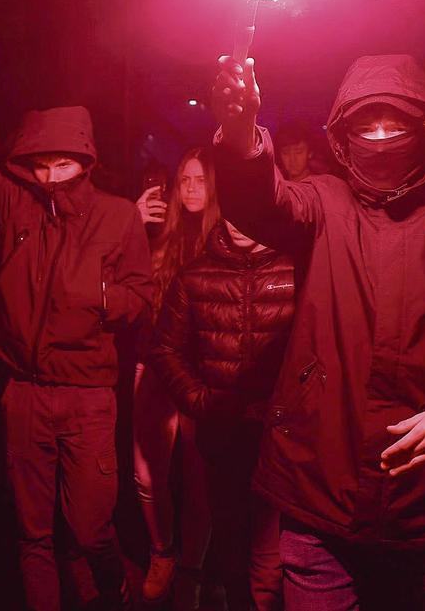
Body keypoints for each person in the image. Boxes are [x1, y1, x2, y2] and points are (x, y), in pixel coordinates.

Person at [210, 53, 425, 610]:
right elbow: (258, 202)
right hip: (317, 486)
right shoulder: (323, 202)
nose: (381, 139)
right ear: (344, 136)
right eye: (366, 126)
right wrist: (242, 131)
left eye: (396, 125)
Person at [0, 48, 153, 611]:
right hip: (23, 393)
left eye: (62, 164)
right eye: (41, 164)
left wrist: (101, 298)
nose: (50, 175)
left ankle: (112, 582)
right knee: (33, 534)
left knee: (88, 527)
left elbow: (142, 296)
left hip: (89, 394)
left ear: (84, 162)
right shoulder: (16, 206)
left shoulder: (117, 216)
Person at [151, 218, 296, 611]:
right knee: (231, 543)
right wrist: (202, 401)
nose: (238, 222)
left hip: (281, 436)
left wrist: (295, 405)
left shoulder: (297, 269)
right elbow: (165, 349)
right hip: (224, 435)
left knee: (270, 550)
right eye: (231, 210)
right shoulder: (197, 275)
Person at [131, 148, 219, 606]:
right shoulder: (157, 236)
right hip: (155, 365)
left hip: (203, 371)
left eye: (200, 180)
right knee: (147, 475)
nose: (189, 188)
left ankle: (191, 568)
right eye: (184, 179)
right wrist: (131, 223)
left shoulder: (226, 237)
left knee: (199, 476)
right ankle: (162, 550)